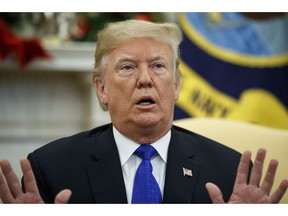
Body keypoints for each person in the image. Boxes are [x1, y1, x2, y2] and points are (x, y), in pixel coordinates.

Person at [0, 19, 287, 204]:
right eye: (127, 67)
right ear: (102, 89)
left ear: (176, 86)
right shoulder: (49, 170)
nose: (145, 79)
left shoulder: (230, 174)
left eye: (159, 66)